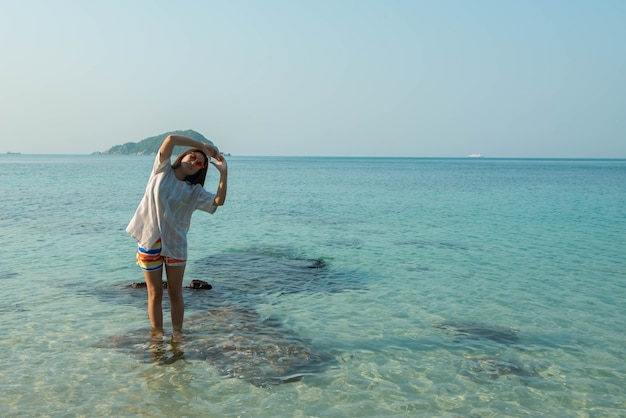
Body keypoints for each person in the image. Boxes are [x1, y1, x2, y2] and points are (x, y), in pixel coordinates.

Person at [126, 134, 228, 341]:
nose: (195, 162)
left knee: (175, 292)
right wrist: (202, 146)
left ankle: (178, 336)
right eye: (192, 157)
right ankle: (157, 337)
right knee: (154, 293)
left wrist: (224, 174)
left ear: (201, 170)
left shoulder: (194, 191)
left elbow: (218, 201)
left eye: (200, 163)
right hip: (149, 240)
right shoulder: (161, 170)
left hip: (176, 245)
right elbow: (171, 139)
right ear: (182, 156)